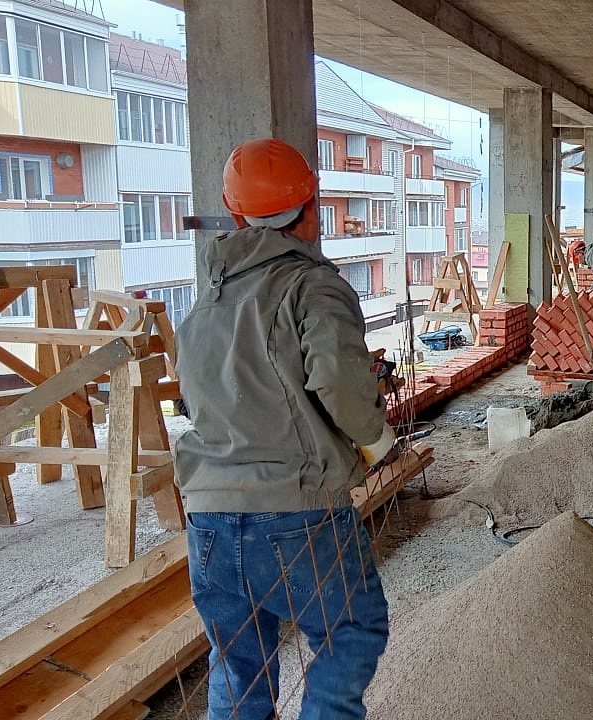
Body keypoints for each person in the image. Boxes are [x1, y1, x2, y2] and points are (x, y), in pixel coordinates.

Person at [173, 138, 397, 720]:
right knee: (351, 628)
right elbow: (340, 383)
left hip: (208, 517)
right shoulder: (311, 285)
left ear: (237, 213)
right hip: (296, 507)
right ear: (312, 210)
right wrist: (375, 439)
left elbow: (197, 402)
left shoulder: (204, 304)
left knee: (239, 661)